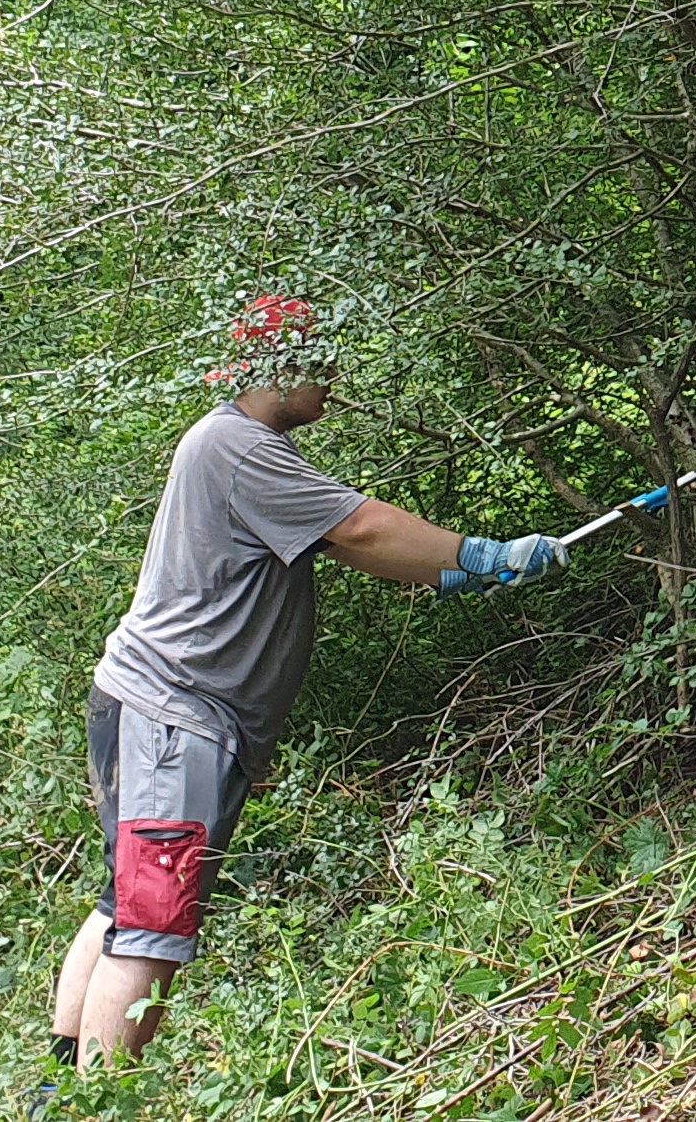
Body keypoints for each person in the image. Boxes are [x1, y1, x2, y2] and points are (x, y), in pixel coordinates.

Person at [46, 295, 572, 1067]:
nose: (334, 375)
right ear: (272, 368)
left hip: (150, 709)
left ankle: (61, 1087)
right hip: (173, 721)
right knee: (153, 923)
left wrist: (447, 575)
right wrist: (480, 552)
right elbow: (359, 525)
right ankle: (92, 1102)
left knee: (127, 905)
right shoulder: (240, 447)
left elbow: (334, 539)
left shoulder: (238, 449)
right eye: (319, 361)